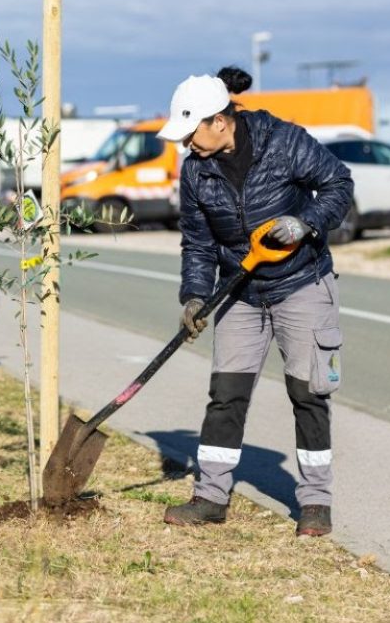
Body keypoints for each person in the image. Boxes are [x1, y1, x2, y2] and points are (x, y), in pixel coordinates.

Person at [157, 66, 353, 537]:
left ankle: (315, 503)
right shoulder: (196, 171)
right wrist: (194, 296)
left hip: (300, 282)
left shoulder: (282, 142)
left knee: (308, 394)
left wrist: (305, 222)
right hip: (240, 293)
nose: (187, 145)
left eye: (191, 134)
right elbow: (197, 242)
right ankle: (211, 496)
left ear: (219, 122)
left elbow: (339, 185)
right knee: (226, 395)